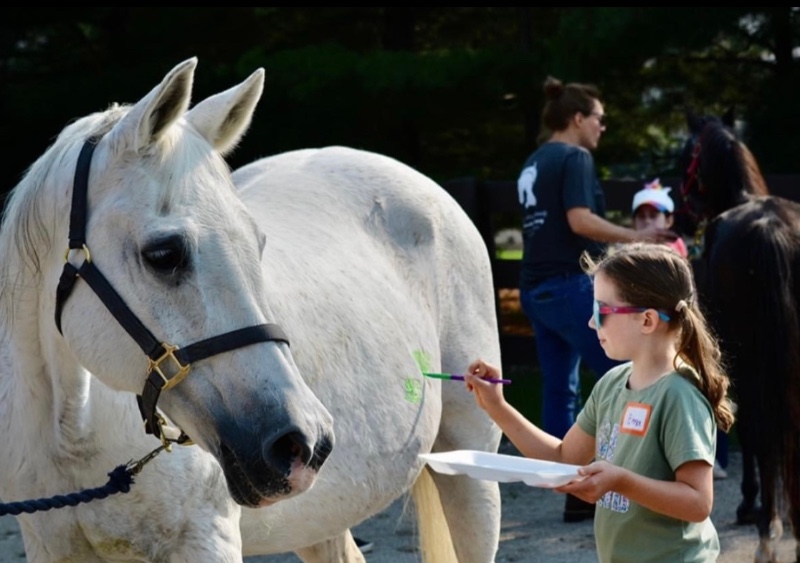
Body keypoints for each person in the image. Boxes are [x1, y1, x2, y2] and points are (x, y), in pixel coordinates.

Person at [465, 243, 734, 562]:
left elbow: (698, 502)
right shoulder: (611, 384)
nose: (591, 324)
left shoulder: (679, 394)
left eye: (600, 312)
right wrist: (497, 406)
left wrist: (621, 482)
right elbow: (564, 457)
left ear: (647, 320)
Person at [516, 76, 678, 521]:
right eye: (599, 120)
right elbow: (580, 220)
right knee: (626, 376)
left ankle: (571, 489)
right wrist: (637, 238)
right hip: (570, 285)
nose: (602, 128)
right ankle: (634, 476)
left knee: (559, 390)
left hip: (535, 288)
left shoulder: (533, 161)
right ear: (578, 119)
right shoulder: (575, 156)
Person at [631, 179, 688, 259]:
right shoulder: (629, 251)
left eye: (653, 216)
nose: (647, 221)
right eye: (641, 216)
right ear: (633, 223)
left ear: (668, 221)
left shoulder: (677, 246)